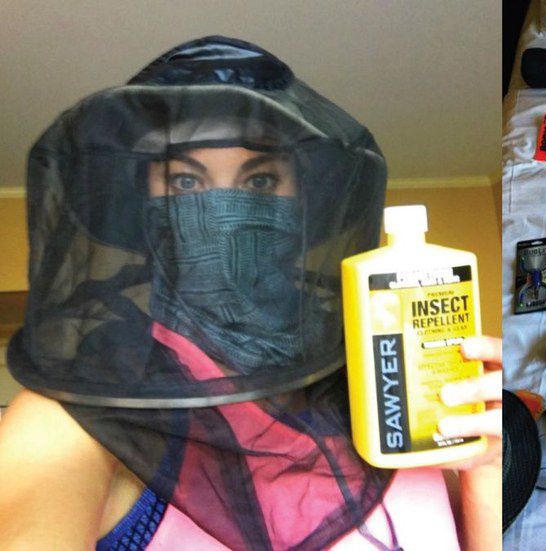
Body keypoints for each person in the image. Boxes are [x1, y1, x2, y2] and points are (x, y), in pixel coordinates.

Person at [0, 36, 501, 551]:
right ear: (142, 205)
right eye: (186, 183)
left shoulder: (386, 376)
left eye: (259, 181)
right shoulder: (77, 412)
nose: (225, 212)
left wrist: (485, 471)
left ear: (302, 200)